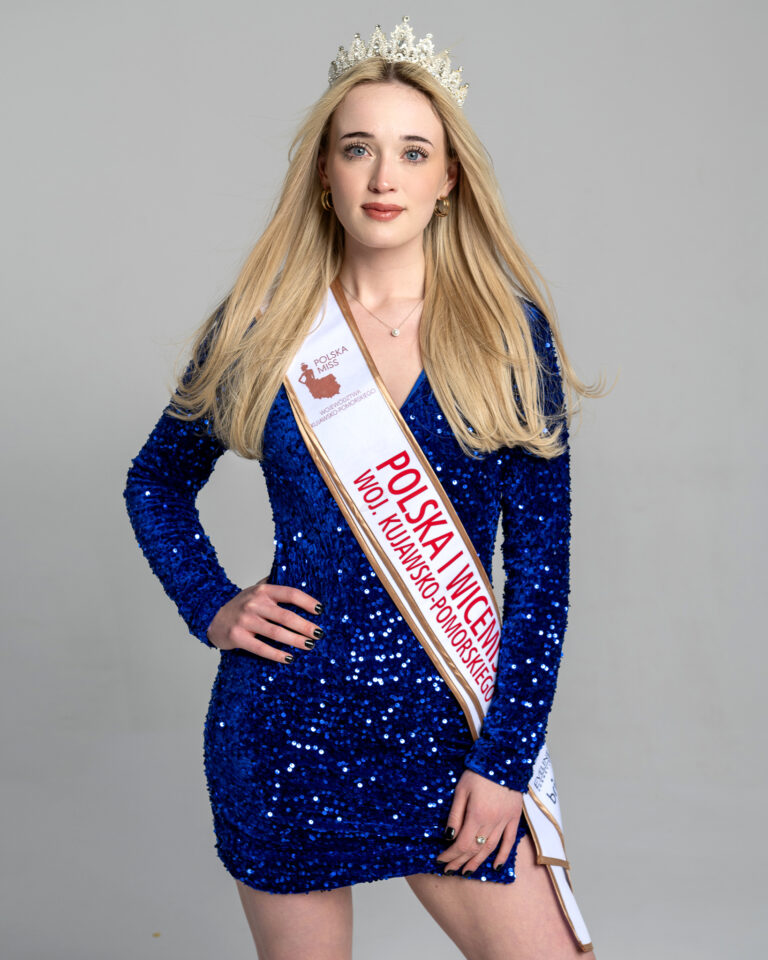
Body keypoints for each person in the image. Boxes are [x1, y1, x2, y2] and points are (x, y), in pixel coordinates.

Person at [124, 17, 600, 960]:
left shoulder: (508, 337)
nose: (385, 177)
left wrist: (505, 762)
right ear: (324, 173)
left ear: (448, 177)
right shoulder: (262, 328)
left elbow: (541, 578)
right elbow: (156, 482)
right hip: (285, 731)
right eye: (358, 149)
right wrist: (212, 603)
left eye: (413, 152)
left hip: (452, 736)